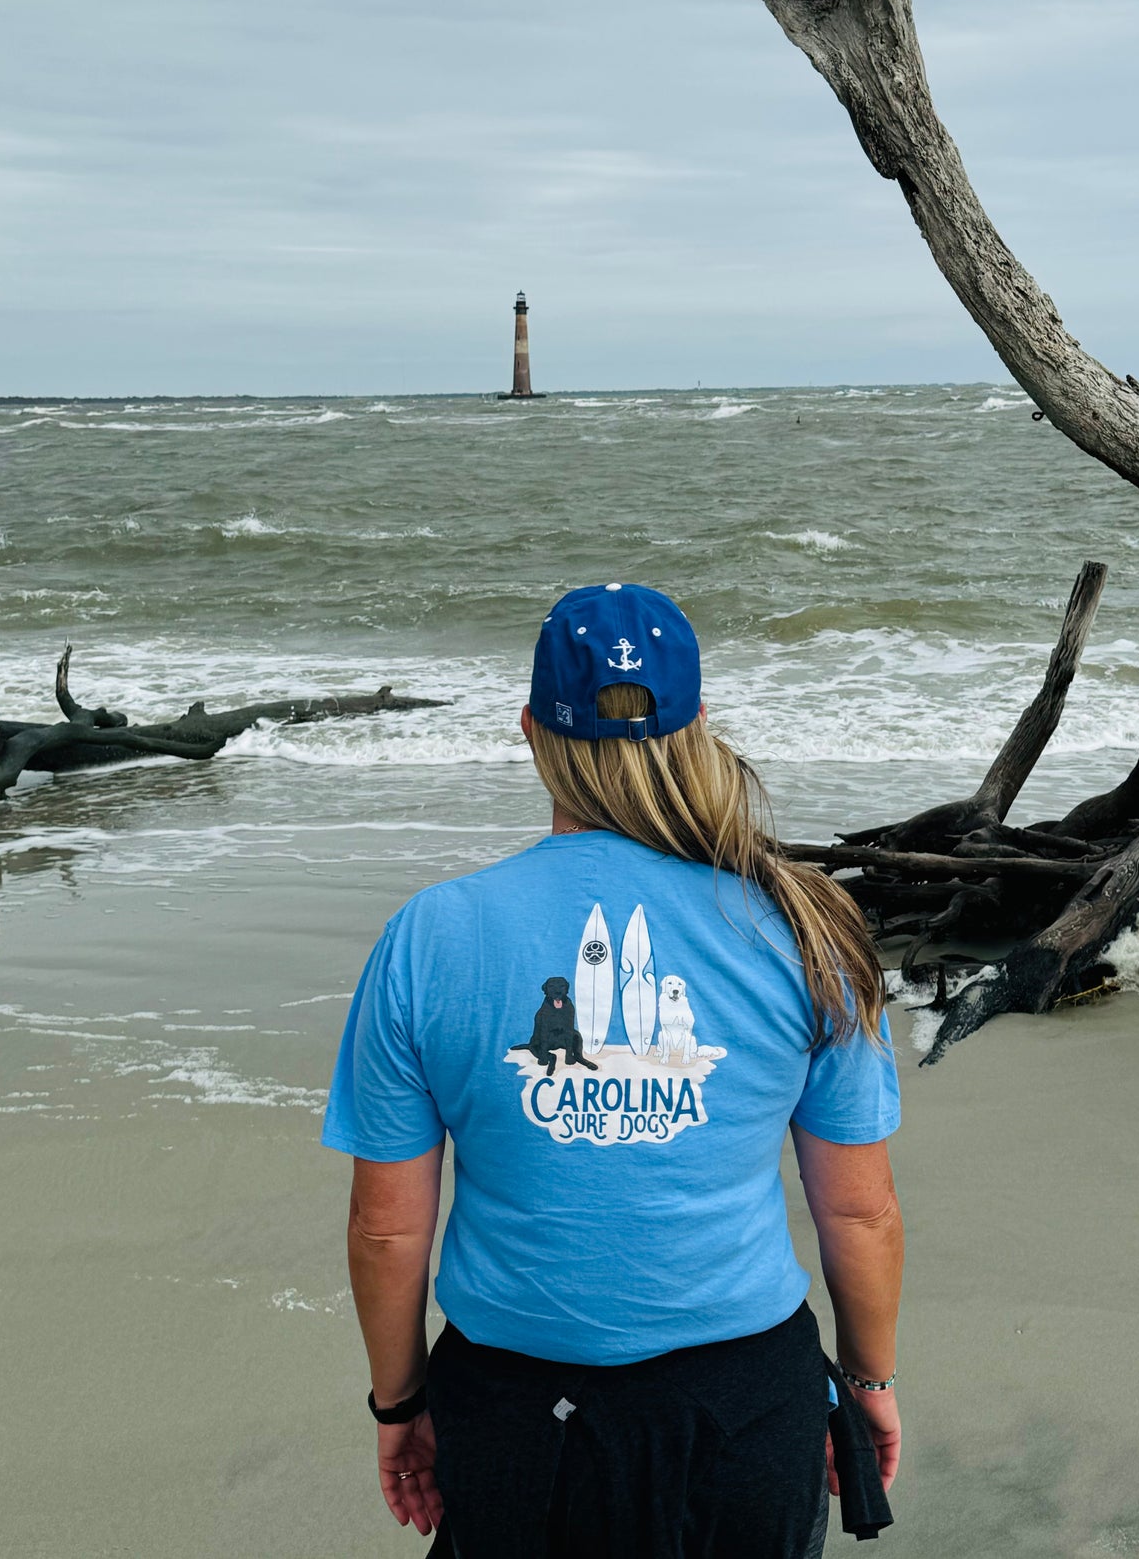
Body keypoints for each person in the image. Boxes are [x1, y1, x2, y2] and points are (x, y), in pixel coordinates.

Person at [323, 583, 904, 1557]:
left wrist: (399, 1401)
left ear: (530, 733)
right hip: (744, 1400)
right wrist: (868, 1384)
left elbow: (386, 1225)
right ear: (698, 725)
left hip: (510, 1399)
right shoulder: (801, 927)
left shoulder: (433, 932)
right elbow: (859, 1211)